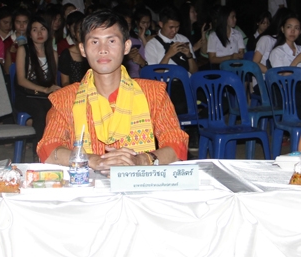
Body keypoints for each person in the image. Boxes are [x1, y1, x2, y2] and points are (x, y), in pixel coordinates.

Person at [38, 9, 189, 172]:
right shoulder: (65, 99)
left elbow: (177, 144)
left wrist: (141, 160)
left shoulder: (153, 93)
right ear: (82, 49)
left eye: (111, 41)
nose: (103, 49)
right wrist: (92, 160)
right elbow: (48, 149)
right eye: (94, 42)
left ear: (126, 46)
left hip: (139, 184)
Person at [14, 15, 61, 136]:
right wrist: (44, 89)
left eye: (43, 29)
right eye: (35, 30)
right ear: (30, 34)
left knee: (60, 110)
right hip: (26, 95)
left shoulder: (53, 54)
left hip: (45, 95)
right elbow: (21, 80)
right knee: (40, 112)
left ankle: (56, 144)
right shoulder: (23, 50)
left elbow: (53, 81)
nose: (39, 33)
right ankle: (39, 147)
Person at [144, 7, 198, 73]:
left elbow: (194, 72)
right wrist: (168, 55)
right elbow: (154, 74)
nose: (174, 31)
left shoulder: (183, 39)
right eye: (171, 27)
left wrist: (189, 56)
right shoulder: (151, 45)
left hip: (186, 78)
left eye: (177, 27)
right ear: (161, 24)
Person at [58, 11, 90, 85]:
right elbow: (65, 82)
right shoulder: (67, 54)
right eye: (79, 31)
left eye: (84, 31)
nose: (82, 34)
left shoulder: (95, 52)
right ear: (74, 34)